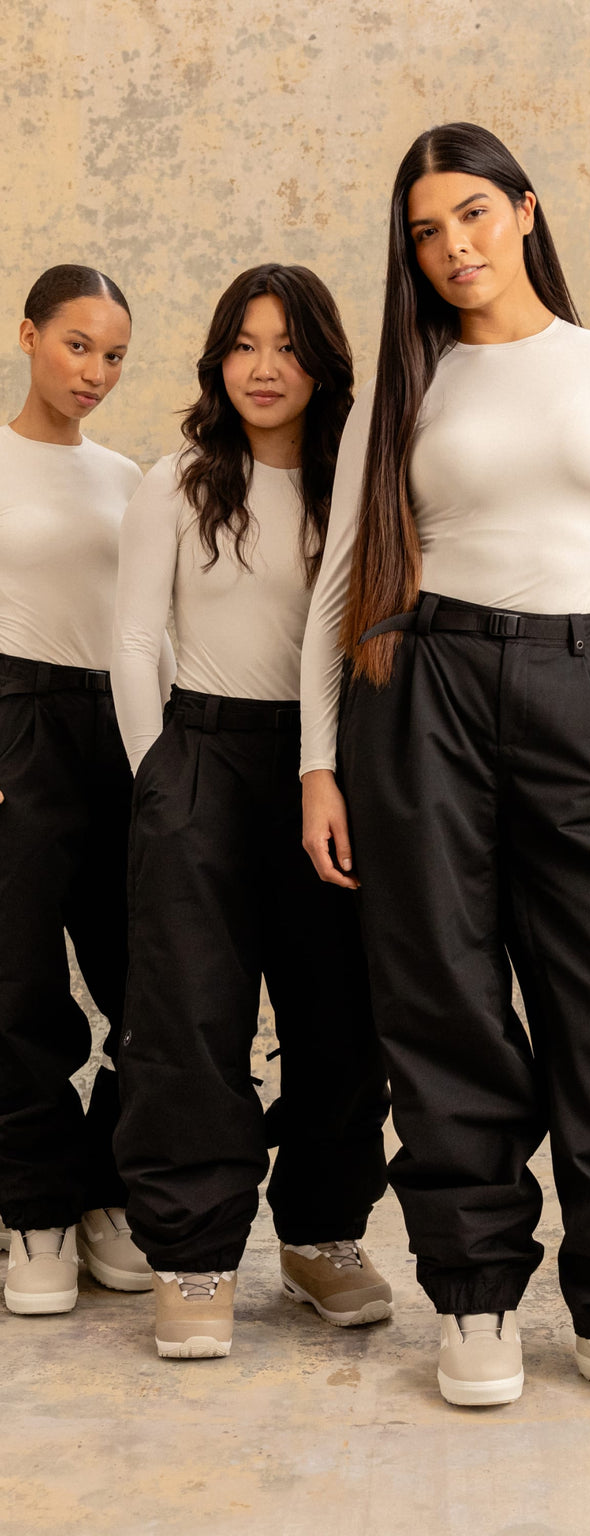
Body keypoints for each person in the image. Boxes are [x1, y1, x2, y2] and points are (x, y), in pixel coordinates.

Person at [300, 122, 590, 1422]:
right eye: (427, 232)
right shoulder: (404, 382)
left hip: (577, 687)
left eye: (475, 215)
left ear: (528, 211)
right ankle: (476, 1294)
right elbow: (343, 578)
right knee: (442, 994)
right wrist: (321, 764)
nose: (454, 248)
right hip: (417, 688)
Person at [111, 264, 391, 1360]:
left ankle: (322, 1236)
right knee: (190, 1016)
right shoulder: (176, 481)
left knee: (339, 1015)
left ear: (323, 363)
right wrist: (159, 780)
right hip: (204, 756)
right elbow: (134, 641)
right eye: (243, 343)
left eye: (286, 345)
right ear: (218, 360)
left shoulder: (361, 488)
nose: (264, 367)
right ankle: (193, 1251)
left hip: (336, 770)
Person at [0, 263, 165, 1315]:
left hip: (123, 728)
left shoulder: (130, 479)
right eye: (76, 345)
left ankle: (107, 1184)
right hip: (14, 724)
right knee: (14, 986)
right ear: (26, 335)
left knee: (151, 984)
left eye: (112, 355)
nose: (94, 371)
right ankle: (33, 1209)